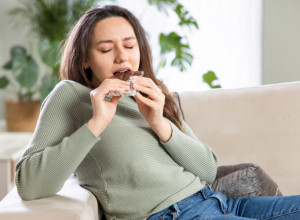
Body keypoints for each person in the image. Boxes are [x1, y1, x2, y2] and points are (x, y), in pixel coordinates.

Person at [15, 5, 300, 220]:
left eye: (129, 45)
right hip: (174, 214)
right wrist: (98, 122)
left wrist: (158, 121)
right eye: (106, 49)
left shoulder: (151, 94)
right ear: (86, 60)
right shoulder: (71, 96)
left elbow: (207, 168)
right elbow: (28, 184)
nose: (122, 56)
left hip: (217, 201)